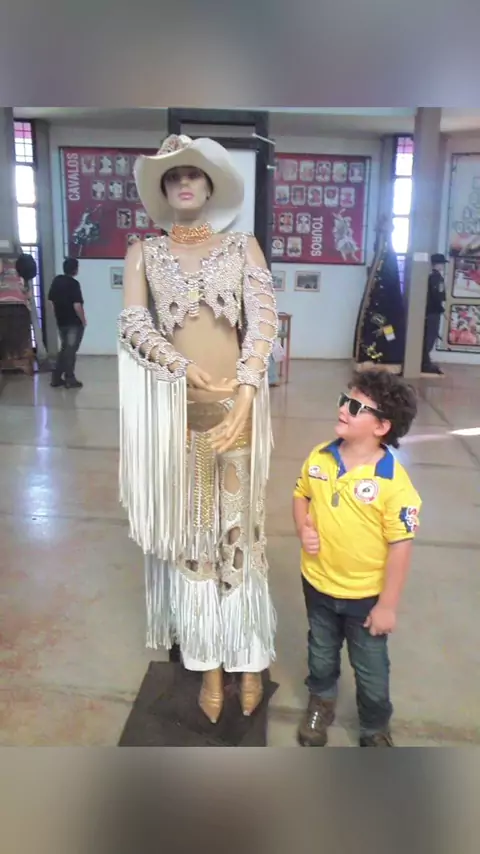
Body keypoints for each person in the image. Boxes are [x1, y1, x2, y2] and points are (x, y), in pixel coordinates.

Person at [118, 134, 278, 723]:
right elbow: (134, 323)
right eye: (173, 176)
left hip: (237, 410)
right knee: (193, 538)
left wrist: (247, 389)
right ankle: (208, 665)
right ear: (163, 191)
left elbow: (262, 322)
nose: (184, 183)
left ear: (211, 186)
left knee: (240, 533)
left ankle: (248, 660)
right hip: (177, 413)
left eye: (193, 174)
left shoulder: (242, 246)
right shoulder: (143, 253)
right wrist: (179, 365)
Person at [293, 369, 421, 747]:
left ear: (382, 426)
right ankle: (321, 702)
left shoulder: (393, 482)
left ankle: (374, 726)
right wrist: (302, 527)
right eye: (343, 400)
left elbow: (401, 546)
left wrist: (387, 606)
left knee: (371, 669)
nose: (342, 409)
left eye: (355, 407)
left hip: (365, 597)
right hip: (318, 583)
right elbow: (301, 495)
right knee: (321, 653)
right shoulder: (320, 457)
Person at [49, 257, 86, 389]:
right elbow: (77, 305)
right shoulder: (74, 284)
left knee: (64, 350)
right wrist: (83, 320)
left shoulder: (56, 281)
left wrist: (57, 316)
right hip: (73, 323)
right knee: (70, 351)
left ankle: (56, 378)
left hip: (61, 321)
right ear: (75, 269)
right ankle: (70, 379)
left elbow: (51, 301)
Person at [422, 253, 447, 375]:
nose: (443, 266)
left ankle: (425, 361)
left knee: (429, 336)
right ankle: (425, 363)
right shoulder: (436, 278)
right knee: (430, 337)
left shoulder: (430, 277)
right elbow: (436, 296)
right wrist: (442, 310)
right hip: (433, 312)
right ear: (438, 264)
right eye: (442, 264)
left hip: (430, 311)